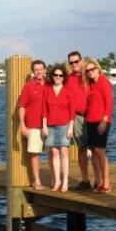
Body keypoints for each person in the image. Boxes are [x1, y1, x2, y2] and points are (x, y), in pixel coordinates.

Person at [82, 58, 114, 193]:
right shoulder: (90, 84)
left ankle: (106, 181)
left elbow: (109, 102)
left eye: (92, 69)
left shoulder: (103, 82)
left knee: (100, 151)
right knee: (93, 151)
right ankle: (98, 180)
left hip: (101, 121)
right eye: (87, 70)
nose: (90, 72)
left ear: (98, 69)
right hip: (90, 121)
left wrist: (104, 119)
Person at [42, 64, 75, 192]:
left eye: (60, 75)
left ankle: (65, 181)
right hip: (50, 126)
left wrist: (71, 128)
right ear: (52, 76)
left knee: (64, 153)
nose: (58, 77)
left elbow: (72, 111)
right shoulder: (48, 90)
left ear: (64, 77)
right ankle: (57, 181)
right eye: (55, 75)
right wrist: (44, 126)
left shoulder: (68, 91)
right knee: (54, 153)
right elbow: (44, 109)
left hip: (64, 125)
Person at [18, 60, 46, 190]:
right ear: (33, 72)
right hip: (33, 125)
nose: (39, 72)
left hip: (50, 125)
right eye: (36, 70)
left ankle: (56, 180)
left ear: (45, 70)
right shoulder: (28, 86)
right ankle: (37, 180)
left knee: (56, 152)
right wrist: (22, 125)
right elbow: (22, 106)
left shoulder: (51, 84)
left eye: (41, 69)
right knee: (35, 154)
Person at [66, 51, 90, 190]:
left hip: (92, 116)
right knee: (82, 148)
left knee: (97, 150)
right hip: (77, 117)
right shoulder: (68, 79)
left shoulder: (89, 74)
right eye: (71, 63)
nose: (74, 64)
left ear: (81, 60)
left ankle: (101, 181)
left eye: (76, 61)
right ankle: (85, 179)